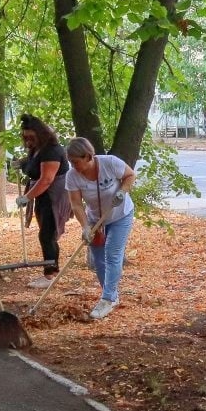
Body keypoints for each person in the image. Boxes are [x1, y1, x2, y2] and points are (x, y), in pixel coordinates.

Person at [64, 137, 137, 320]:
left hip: (121, 214)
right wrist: (86, 227)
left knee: (112, 254)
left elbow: (130, 175)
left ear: (88, 156)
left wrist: (122, 191)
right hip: (96, 220)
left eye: (76, 162)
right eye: (71, 162)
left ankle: (107, 299)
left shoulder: (110, 163)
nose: (73, 166)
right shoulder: (72, 176)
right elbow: (76, 205)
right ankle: (112, 294)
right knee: (99, 260)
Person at [15, 114, 72, 290]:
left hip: (54, 196)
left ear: (41, 134)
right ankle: (51, 272)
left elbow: (46, 179)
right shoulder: (37, 149)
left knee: (48, 235)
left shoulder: (51, 151)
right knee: (46, 233)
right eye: (25, 137)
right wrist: (22, 163)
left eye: (31, 137)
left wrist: (27, 197)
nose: (28, 141)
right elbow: (34, 167)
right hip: (44, 196)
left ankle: (50, 275)